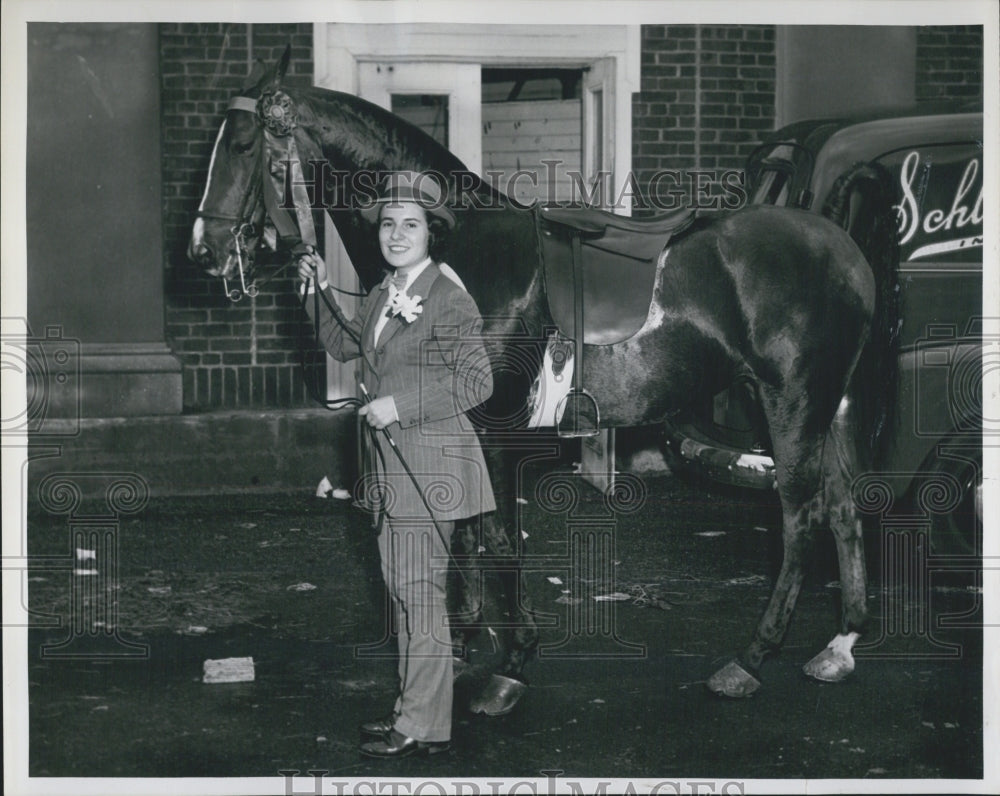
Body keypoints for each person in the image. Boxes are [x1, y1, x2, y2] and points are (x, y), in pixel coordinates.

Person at [296, 171, 495, 758]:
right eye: (388, 223)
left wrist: (397, 404)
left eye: (411, 224)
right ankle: (417, 713)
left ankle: (423, 725)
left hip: (431, 468)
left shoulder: (448, 298)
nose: (397, 234)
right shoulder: (385, 292)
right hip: (392, 469)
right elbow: (344, 344)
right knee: (407, 592)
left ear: (432, 232)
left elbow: (477, 380)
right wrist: (317, 289)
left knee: (418, 593)